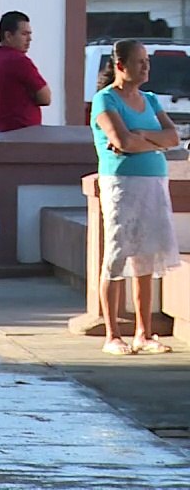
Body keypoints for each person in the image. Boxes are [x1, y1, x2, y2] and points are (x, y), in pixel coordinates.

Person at [90, 40, 181, 355]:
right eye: (139, 61)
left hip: (153, 182)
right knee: (117, 253)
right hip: (122, 183)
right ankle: (113, 334)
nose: (145, 67)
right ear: (120, 65)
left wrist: (142, 137)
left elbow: (173, 136)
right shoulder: (105, 100)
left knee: (146, 255)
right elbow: (121, 141)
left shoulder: (152, 100)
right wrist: (146, 141)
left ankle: (144, 332)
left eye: (147, 61)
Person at [0, 11, 50, 133]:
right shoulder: (19, 61)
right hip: (21, 133)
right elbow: (45, 97)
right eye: (24, 34)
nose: (29, 39)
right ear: (8, 36)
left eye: (29, 34)